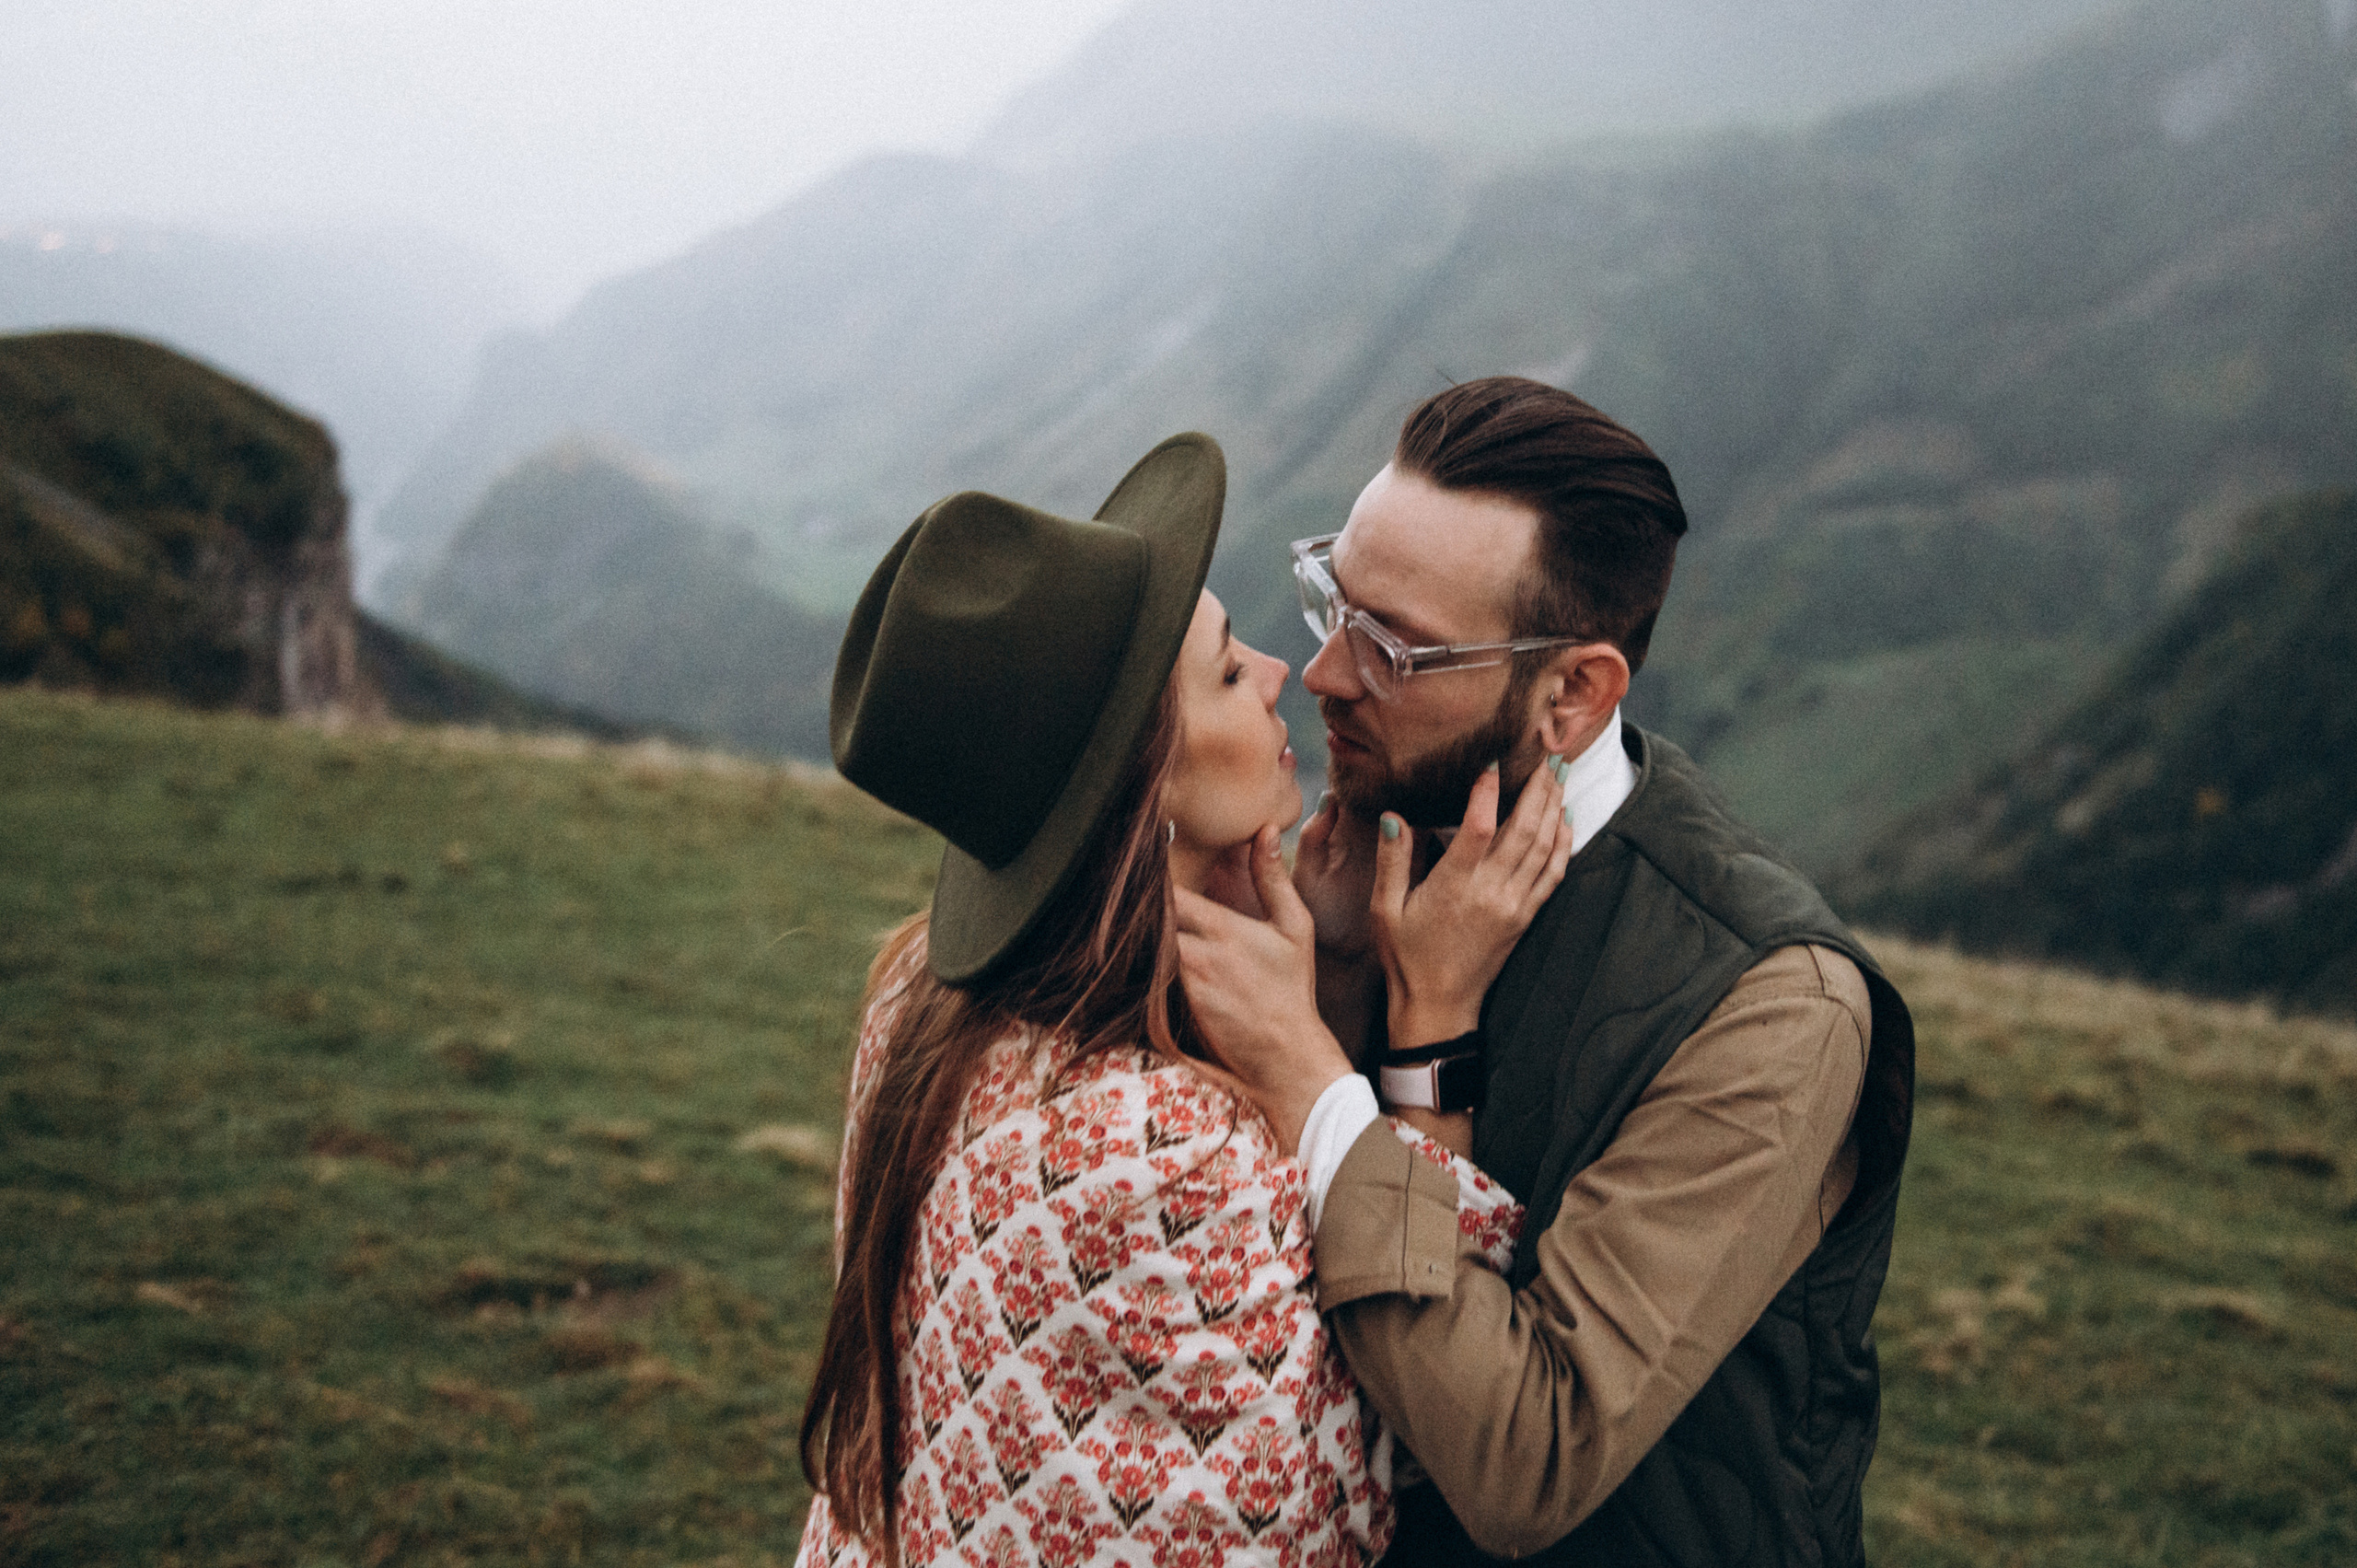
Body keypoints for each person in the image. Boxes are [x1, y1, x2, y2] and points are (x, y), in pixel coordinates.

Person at [1174, 378, 1918, 1567]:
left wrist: (1311, 1074)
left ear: (1574, 693)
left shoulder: (1773, 1004)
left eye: (1396, 648)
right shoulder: (1364, 835)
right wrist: (1339, 984)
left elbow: (1532, 1461)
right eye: (1334, 604)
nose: (1322, 675)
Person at [795, 433, 1573, 1568]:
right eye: (1221, 670)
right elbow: (1401, 1452)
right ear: (1138, 792)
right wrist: (1427, 1019)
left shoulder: (918, 993)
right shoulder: (1168, 1149)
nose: (1280, 672)